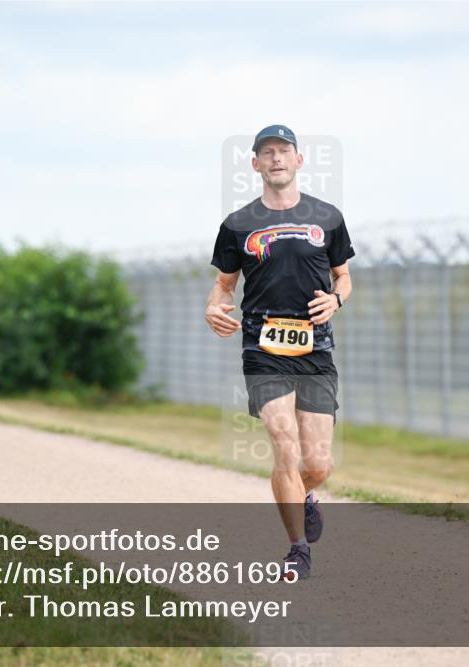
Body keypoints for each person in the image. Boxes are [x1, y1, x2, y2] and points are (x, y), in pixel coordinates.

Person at [205, 125, 354, 581]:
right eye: (266, 153)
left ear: (298, 160)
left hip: (315, 350)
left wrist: (337, 298)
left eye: (283, 152)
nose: (275, 159)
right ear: (255, 164)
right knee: (284, 448)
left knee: (318, 465)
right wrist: (214, 308)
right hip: (262, 348)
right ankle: (297, 551)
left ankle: (305, 495)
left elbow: (343, 276)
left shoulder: (327, 217)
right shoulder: (238, 224)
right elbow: (223, 286)